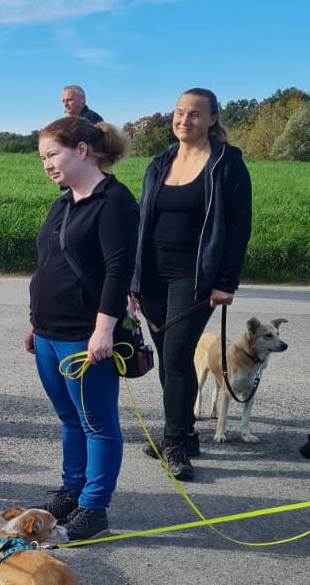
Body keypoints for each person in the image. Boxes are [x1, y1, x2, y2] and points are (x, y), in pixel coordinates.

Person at [131, 88, 252, 481]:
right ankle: (184, 431)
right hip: (153, 275)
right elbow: (141, 222)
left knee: (181, 355)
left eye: (195, 114)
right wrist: (134, 278)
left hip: (195, 276)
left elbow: (238, 227)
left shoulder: (227, 163)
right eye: (180, 112)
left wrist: (225, 281)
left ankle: (174, 442)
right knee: (169, 358)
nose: (185, 120)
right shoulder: (159, 162)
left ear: (213, 119)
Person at [27, 117, 136, 541]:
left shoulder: (114, 201)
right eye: (43, 158)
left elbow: (118, 269)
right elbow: (47, 265)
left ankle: (94, 506)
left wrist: (104, 329)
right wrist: (34, 322)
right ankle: (72, 489)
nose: (47, 164)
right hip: (48, 332)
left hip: (84, 334)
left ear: (83, 151)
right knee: (69, 419)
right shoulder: (64, 202)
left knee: (98, 423)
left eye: (53, 154)